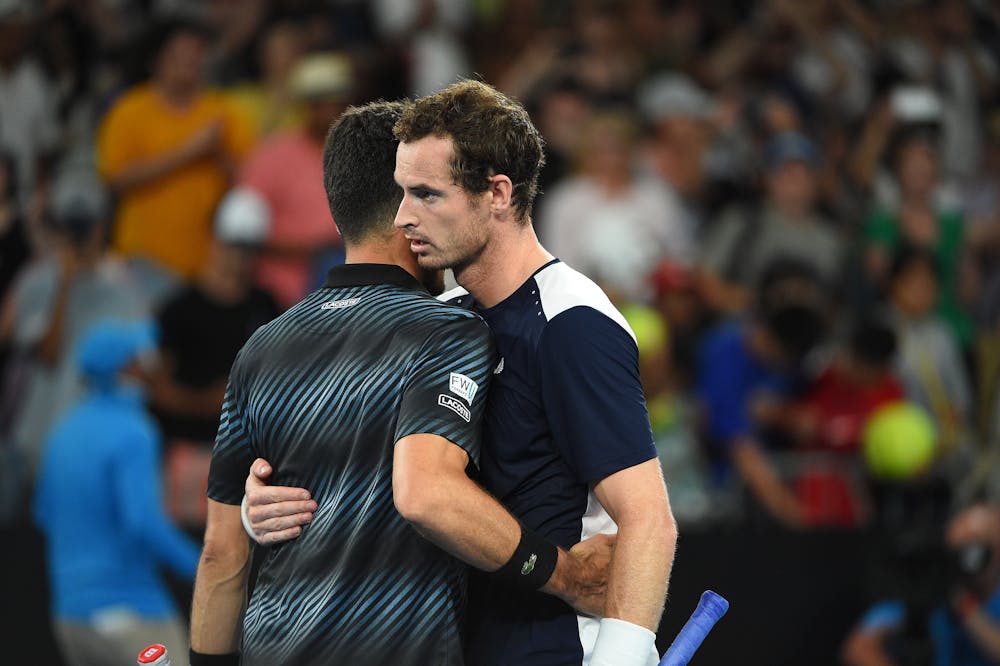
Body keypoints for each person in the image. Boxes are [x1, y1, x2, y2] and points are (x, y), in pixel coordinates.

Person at [244, 80, 677, 666]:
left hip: (555, 647)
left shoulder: (571, 322)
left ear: (497, 193)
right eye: (401, 193)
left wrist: (624, 657)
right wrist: (263, 505)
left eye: (426, 195)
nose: (403, 218)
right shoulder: (445, 320)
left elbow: (648, 518)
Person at [33, 318, 200, 666]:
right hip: (132, 610)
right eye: (144, 356)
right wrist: (205, 567)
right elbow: (142, 521)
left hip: (68, 615)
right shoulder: (135, 431)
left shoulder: (63, 430)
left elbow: (45, 514)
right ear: (128, 367)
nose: (152, 364)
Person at [96, 16, 254, 281]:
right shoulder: (129, 110)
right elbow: (116, 178)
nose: (190, 61)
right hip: (140, 263)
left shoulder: (223, 112)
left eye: (196, 54)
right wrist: (191, 150)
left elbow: (249, 183)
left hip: (208, 267)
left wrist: (219, 154)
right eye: (178, 54)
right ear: (156, 60)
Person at [842, 502, 1000, 666]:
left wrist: (964, 605)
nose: (962, 556)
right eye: (957, 546)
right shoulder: (928, 585)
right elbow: (859, 648)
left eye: (974, 544)